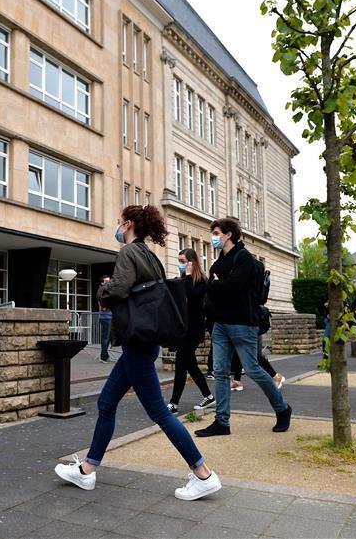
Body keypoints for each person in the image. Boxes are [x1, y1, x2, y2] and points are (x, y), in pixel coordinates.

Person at [54, 205, 221, 501]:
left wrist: (101, 292)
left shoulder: (129, 253)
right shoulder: (149, 255)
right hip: (143, 339)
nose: (117, 227)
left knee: (158, 411)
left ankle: (203, 474)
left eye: (119, 222)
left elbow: (118, 289)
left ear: (129, 224)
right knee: (106, 402)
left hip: (138, 342)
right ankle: (88, 471)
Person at [195, 217, 291, 437]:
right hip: (220, 324)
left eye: (217, 233)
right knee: (219, 372)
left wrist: (218, 284)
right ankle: (222, 422)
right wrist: (218, 284)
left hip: (242, 323)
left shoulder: (244, 257)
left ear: (229, 234)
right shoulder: (218, 262)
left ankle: (282, 409)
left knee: (254, 369)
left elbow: (233, 286)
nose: (214, 237)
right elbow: (214, 288)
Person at [167, 249, 215, 413]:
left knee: (181, 364)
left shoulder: (201, 280)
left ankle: (174, 404)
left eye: (182, 261)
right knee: (190, 365)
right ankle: (208, 396)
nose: (180, 264)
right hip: (184, 329)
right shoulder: (184, 280)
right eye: (179, 260)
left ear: (191, 262)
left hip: (194, 330)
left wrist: (187, 276)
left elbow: (193, 296)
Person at [97, 275, 114, 363]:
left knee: (107, 338)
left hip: (109, 317)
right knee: (105, 338)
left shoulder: (106, 291)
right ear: (102, 283)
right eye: (106, 281)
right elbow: (103, 307)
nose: (108, 282)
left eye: (109, 281)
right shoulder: (102, 291)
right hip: (106, 317)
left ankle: (104, 355)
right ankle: (103, 357)